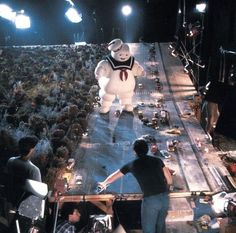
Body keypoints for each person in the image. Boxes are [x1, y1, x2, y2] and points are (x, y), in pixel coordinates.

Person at [98, 138, 173, 233]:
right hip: (165, 198)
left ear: (134, 151)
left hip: (151, 201)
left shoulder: (132, 165)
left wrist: (104, 183)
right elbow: (169, 179)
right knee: (161, 226)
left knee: (149, 229)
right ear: (147, 149)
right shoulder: (158, 160)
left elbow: (113, 177)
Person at [6, 135, 41, 232]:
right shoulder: (34, 170)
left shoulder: (11, 161)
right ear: (31, 150)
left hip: (8, 204)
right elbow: (37, 195)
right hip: (23, 211)